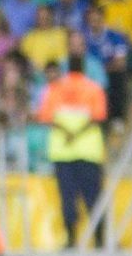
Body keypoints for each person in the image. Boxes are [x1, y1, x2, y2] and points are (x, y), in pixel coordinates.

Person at [37, 60, 109, 246]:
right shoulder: (94, 88)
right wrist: (77, 133)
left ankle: (71, 241)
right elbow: (98, 117)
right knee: (92, 198)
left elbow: (46, 117)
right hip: (88, 151)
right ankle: (100, 241)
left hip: (63, 151)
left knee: (68, 198)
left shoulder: (54, 89)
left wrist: (68, 133)